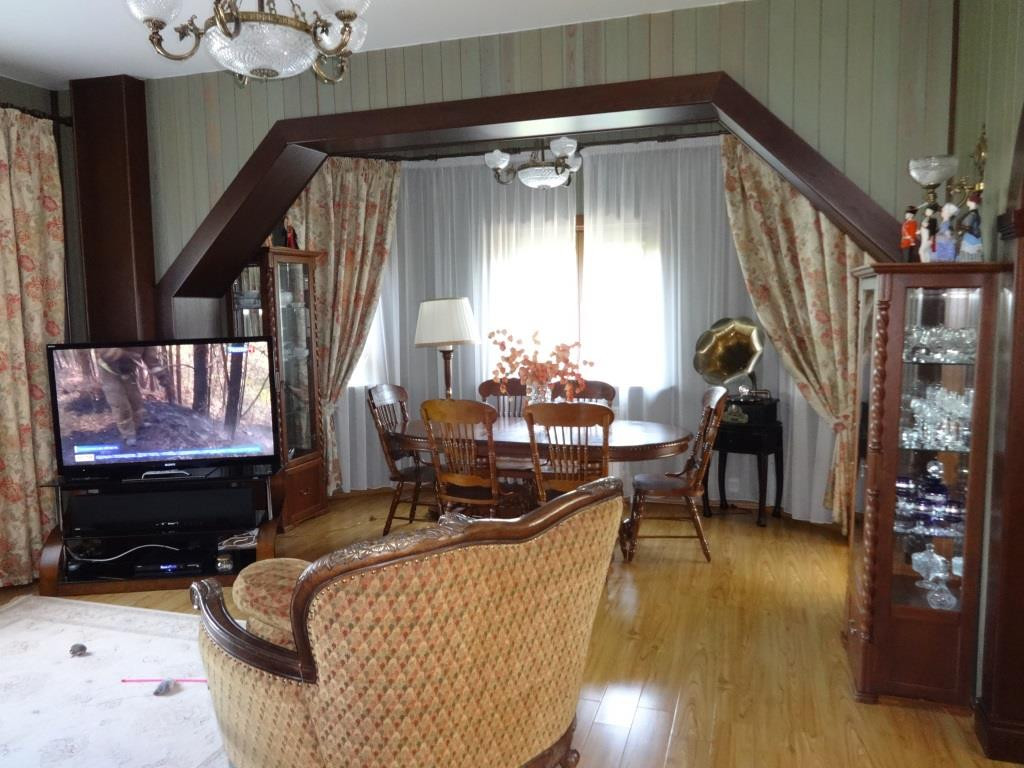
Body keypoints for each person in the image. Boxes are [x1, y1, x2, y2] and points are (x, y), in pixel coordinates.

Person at [95, 347, 171, 446]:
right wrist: (121, 355)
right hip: (109, 371)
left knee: (135, 400)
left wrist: (161, 375)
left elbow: (151, 359)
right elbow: (103, 351)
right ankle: (128, 434)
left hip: (128, 370)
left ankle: (138, 424)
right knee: (120, 404)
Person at [959, 191, 983, 261]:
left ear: (972, 202)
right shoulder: (975, 213)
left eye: (968, 199)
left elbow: (966, 225)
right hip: (975, 238)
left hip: (970, 239)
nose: (967, 200)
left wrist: (960, 227)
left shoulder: (972, 214)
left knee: (967, 260)